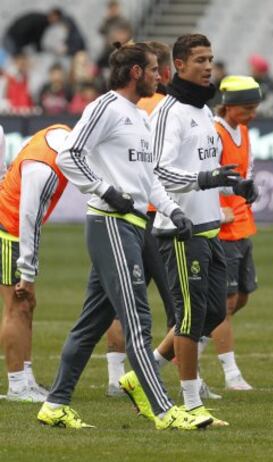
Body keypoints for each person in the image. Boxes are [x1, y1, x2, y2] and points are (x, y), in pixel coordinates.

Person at [37, 41, 212, 431]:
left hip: (133, 225)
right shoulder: (105, 107)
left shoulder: (140, 116)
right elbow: (69, 154)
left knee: (90, 324)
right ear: (135, 72)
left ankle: (55, 403)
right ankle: (166, 411)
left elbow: (147, 179)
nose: (159, 76)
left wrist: (173, 210)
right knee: (138, 319)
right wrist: (103, 189)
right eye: (153, 69)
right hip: (111, 224)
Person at [120, 34, 257, 426]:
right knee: (192, 315)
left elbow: (209, 170)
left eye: (211, 58)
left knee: (213, 312)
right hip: (181, 229)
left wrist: (235, 186)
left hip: (210, 227)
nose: (208, 65)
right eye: (199, 59)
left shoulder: (203, 111)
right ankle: (191, 403)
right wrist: (205, 178)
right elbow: (157, 171)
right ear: (177, 66)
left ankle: (140, 372)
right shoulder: (170, 112)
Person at [105, 41, 175, 398]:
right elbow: (162, 169)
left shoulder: (128, 106)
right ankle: (162, 374)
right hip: (153, 220)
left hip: (123, 217)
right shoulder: (164, 108)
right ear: (162, 70)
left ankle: (115, 377)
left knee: (119, 301)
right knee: (176, 305)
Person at [198, 75, 261, 392]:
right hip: (222, 227)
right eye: (247, 108)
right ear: (229, 106)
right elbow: (208, 178)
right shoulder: (215, 133)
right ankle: (231, 372)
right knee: (226, 301)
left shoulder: (244, 130)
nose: (252, 114)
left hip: (242, 223)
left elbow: (243, 173)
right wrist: (215, 209)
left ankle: (194, 348)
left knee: (243, 297)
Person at [0, 124, 71, 402]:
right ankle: (17, 385)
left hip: (13, 225)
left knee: (26, 304)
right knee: (16, 305)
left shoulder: (58, 134)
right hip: (9, 228)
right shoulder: (43, 168)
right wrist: (27, 272)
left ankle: (25, 379)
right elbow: (28, 217)